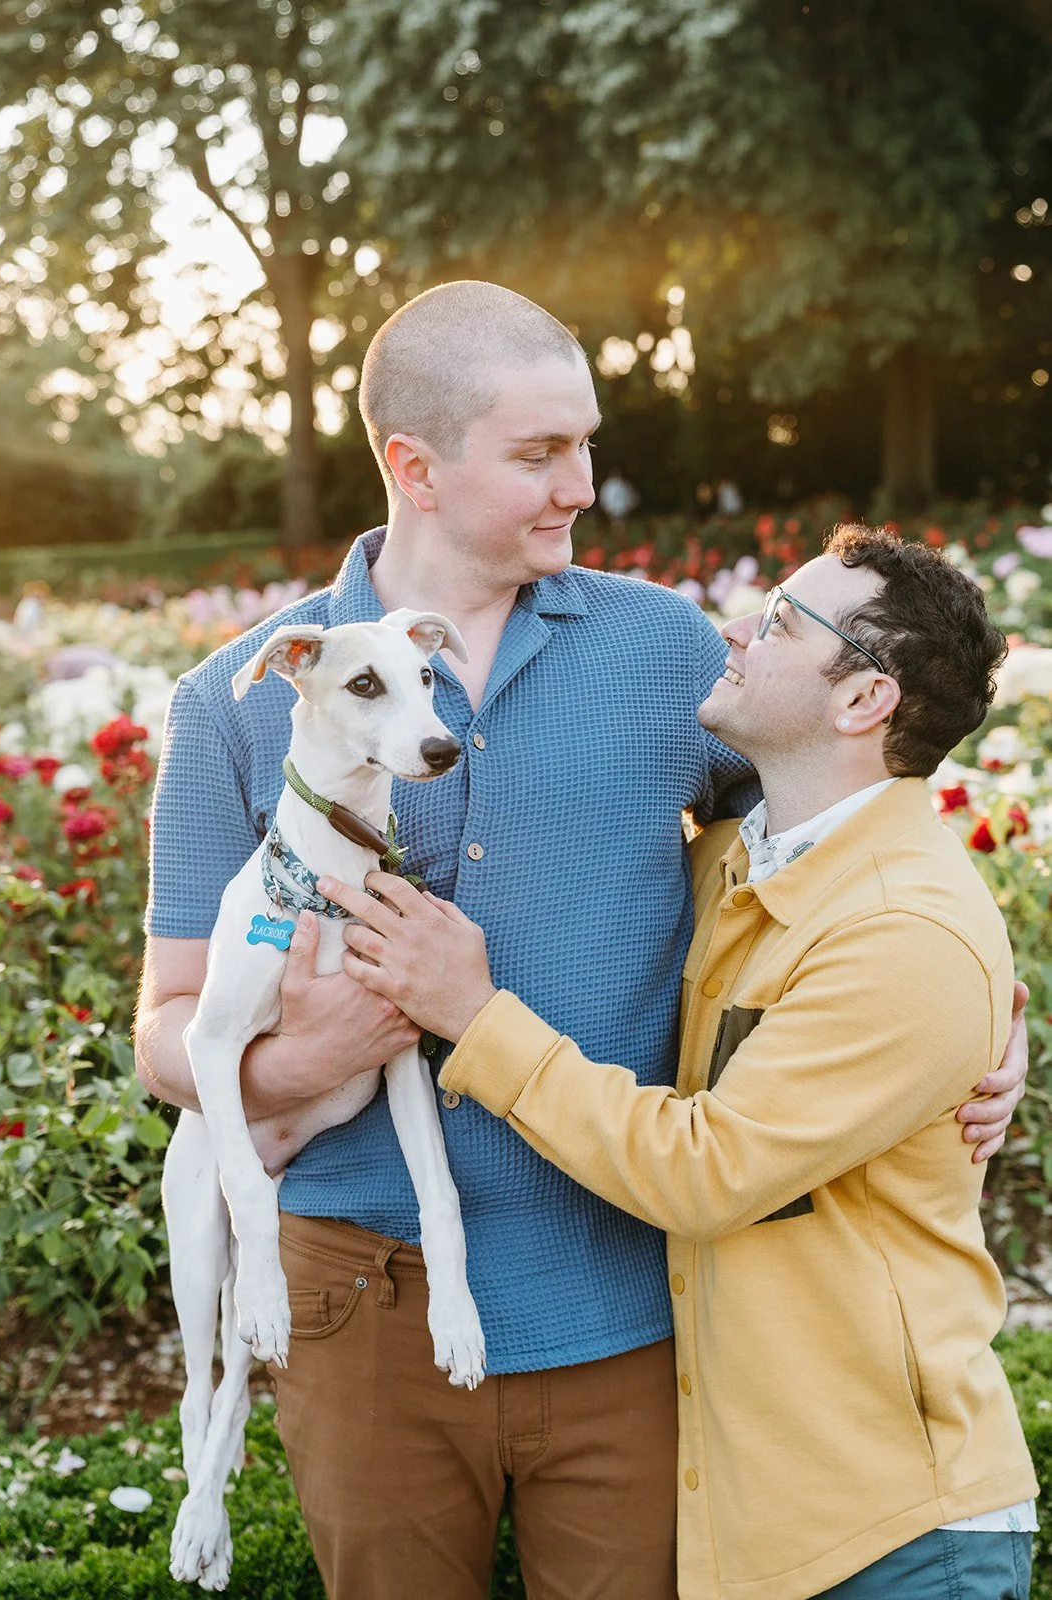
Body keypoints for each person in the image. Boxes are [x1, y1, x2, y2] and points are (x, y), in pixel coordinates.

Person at [134, 284, 1026, 1600]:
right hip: (358, 1308)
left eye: (586, 445)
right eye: (539, 454)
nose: (582, 486)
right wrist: (303, 1058)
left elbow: (837, 838)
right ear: (412, 467)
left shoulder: (669, 650)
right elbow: (171, 1024)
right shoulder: (239, 694)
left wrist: (988, 1011)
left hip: (623, 1297)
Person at [329, 526, 1039, 1600]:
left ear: (863, 702)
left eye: (781, 623)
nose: (735, 634)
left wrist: (472, 1016)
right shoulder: (736, 865)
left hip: (891, 1535)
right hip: (773, 1524)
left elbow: (705, 1172)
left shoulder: (904, 933)